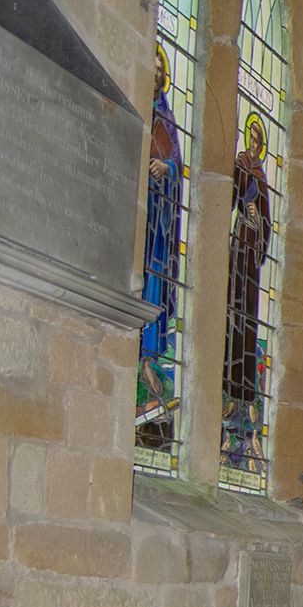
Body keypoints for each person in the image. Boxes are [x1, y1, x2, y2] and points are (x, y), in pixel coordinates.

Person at [223, 112, 272, 469]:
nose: (253, 143)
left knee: (248, 322)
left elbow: (267, 223)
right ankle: (228, 392)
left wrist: (258, 218)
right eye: (251, 137)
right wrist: (245, 213)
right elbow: (226, 200)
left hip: (251, 251)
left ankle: (245, 396)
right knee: (231, 316)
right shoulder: (240, 165)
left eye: (258, 139)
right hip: (238, 245)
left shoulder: (262, 177)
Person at [139, 45, 183, 424]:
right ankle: (147, 384)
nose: (154, 75)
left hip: (158, 227)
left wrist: (165, 168)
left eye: (159, 70)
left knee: (153, 286)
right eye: (149, 68)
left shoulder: (167, 118)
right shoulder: (136, 103)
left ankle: (150, 375)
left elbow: (176, 164)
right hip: (139, 215)